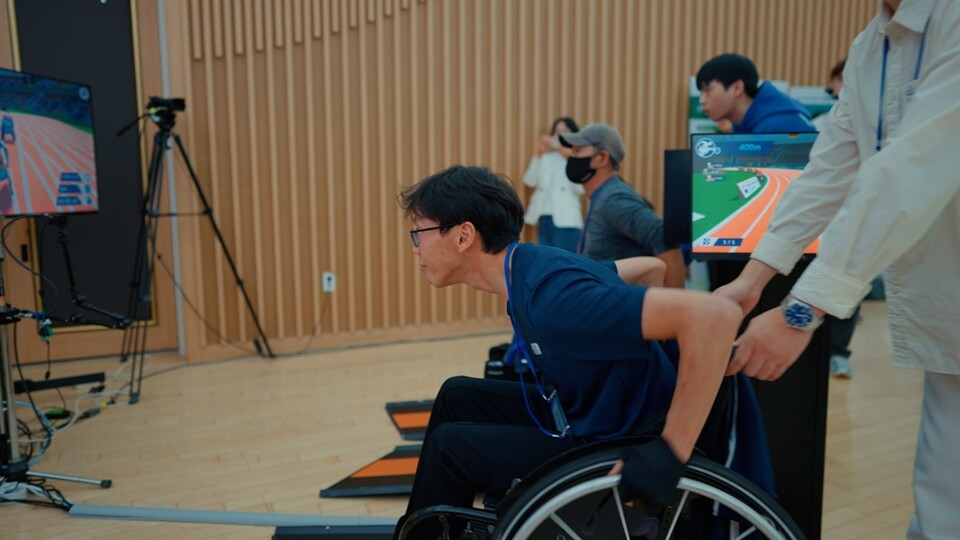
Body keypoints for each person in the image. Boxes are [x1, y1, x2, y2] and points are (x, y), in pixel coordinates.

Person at [715, 1, 960, 537]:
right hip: (949, 310)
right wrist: (750, 282)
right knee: (941, 509)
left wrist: (800, 312)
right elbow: (829, 170)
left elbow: (910, 169)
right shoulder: (872, 45)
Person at [395, 165, 742, 539]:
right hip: (587, 412)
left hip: (613, 441)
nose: (416, 248)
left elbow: (715, 316)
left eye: (419, 233)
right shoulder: (531, 265)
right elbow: (649, 269)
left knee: (451, 448)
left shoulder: (554, 299)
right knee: (457, 395)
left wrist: (672, 448)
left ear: (464, 235)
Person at [558, 123, 687, 288]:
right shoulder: (602, 196)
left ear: (602, 157)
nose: (571, 156)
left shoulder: (614, 200)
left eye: (577, 150)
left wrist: (671, 300)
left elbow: (663, 239)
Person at [696, 53, 816, 133]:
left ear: (737, 88)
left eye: (708, 90)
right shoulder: (746, 123)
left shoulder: (777, 128)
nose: (702, 100)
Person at [522, 117, 584, 252]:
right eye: (557, 132)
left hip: (567, 219)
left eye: (564, 131)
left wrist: (568, 156)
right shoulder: (546, 158)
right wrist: (538, 154)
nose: (560, 136)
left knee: (565, 259)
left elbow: (581, 188)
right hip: (544, 216)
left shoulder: (578, 158)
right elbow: (529, 181)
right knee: (546, 258)